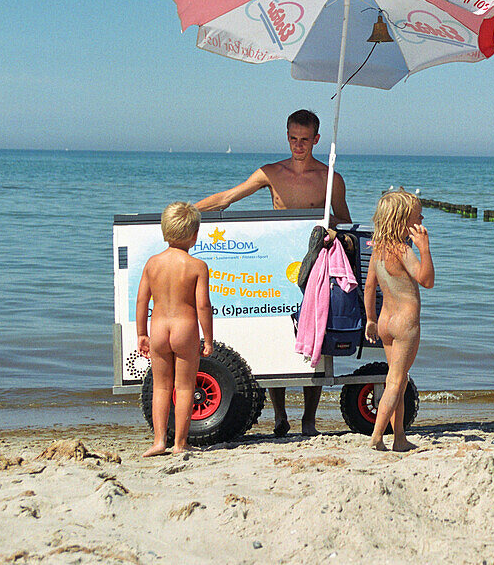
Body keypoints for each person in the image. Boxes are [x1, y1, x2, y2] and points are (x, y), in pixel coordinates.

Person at [195, 109, 352, 437]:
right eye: (293, 139)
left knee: (315, 338)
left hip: (313, 266)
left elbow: (345, 221)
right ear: (287, 136)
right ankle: (280, 415)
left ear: (317, 140)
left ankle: (309, 419)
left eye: (305, 140)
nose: (298, 146)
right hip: (276, 265)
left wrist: (333, 230)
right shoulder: (270, 172)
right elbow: (227, 198)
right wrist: (188, 211)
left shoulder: (330, 178)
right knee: (278, 336)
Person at [136, 202, 214, 457]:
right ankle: (180, 443)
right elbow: (203, 305)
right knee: (184, 387)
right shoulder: (197, 266)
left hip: (158, 328)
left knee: (161, 387)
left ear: (164, 231)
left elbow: (141, 301)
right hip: (185, 329)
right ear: (194, 235)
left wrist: (141, 333)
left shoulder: (152, 263)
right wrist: (209, 339)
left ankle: (159, 441)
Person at [363, 191, 434, 451]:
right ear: (404, 220)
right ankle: (377, 436)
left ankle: (399, 437)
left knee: (398, 379)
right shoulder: (403, 250)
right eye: (418, 215)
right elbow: (426, 280)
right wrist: (425, 249)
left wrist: (370, 319)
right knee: (396, 380)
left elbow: (369, 287)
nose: (422, 217)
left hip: (384, 322)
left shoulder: (378, 249)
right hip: (405, 323)